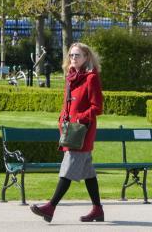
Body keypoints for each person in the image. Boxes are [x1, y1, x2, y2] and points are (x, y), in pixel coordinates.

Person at [30, 42, 105, 223]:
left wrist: (79, 117)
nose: (73, 58)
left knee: (68, 168)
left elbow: (98, 107)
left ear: (86, 57)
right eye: (71, 55)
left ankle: (50, 207)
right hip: (69, 129)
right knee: (88, 173)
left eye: (77, 55)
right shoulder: (71, 78)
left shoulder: (91, 78)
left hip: (81, 132)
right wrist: (61, 118)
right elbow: (68, 104)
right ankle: (97, 210)